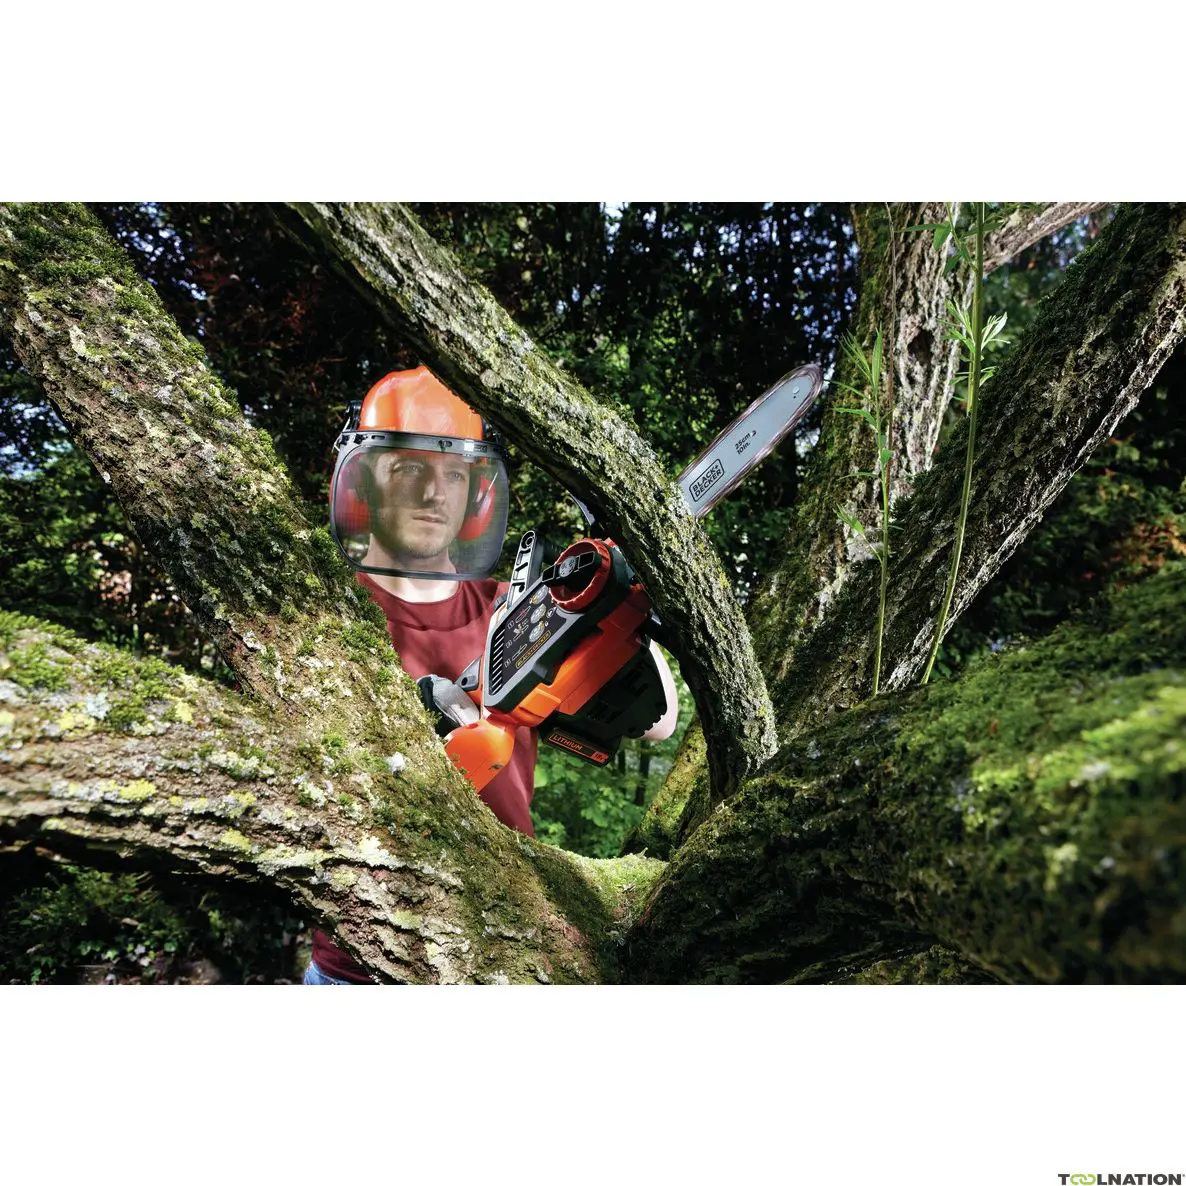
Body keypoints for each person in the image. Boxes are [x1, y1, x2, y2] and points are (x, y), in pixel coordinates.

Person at [305, 367, 677, 984]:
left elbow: (659, 724)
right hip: (358, 962)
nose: (435, 493)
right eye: (411, 468)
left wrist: (615, 603)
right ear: (366, 482)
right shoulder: (325, 618)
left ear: (477, 494)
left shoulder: (518, 609)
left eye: (454, 474)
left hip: (498, 940)